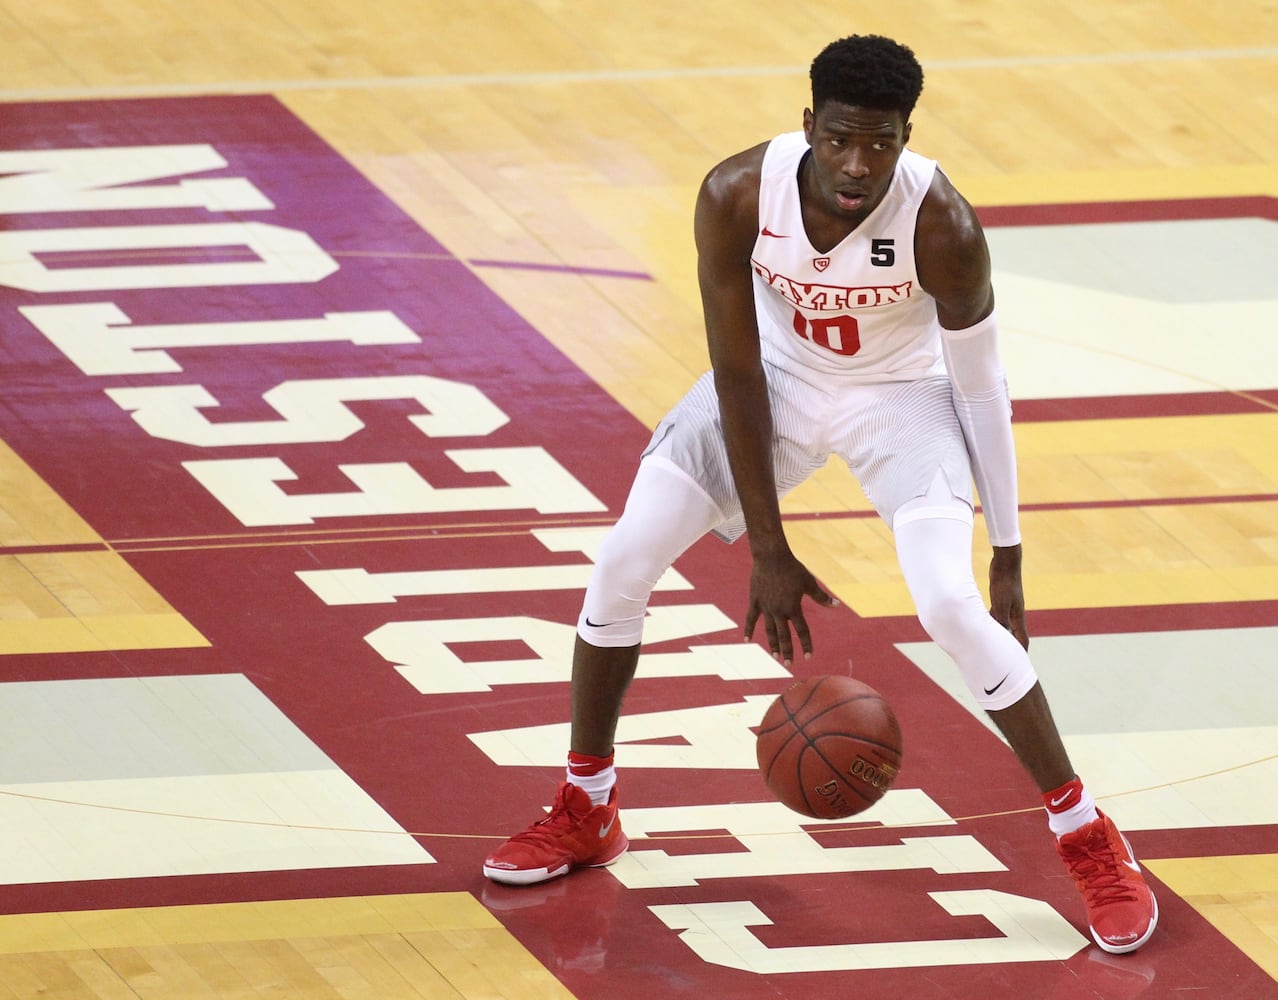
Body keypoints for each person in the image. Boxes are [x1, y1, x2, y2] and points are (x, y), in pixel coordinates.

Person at [483, 33, 1158, 956]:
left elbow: (980, 390)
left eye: (879, 144)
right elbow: (735, 370)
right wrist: (767, 545)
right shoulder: (734, 195)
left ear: (905, 137)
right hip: (775, 381)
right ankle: (587, 807)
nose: (856, 164)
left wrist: (1008, 549)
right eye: (840, 139)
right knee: (623, 560)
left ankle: (1089, 837)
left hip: (903, 401)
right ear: (809, 126)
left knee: (954, 606)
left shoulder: (941, 224)